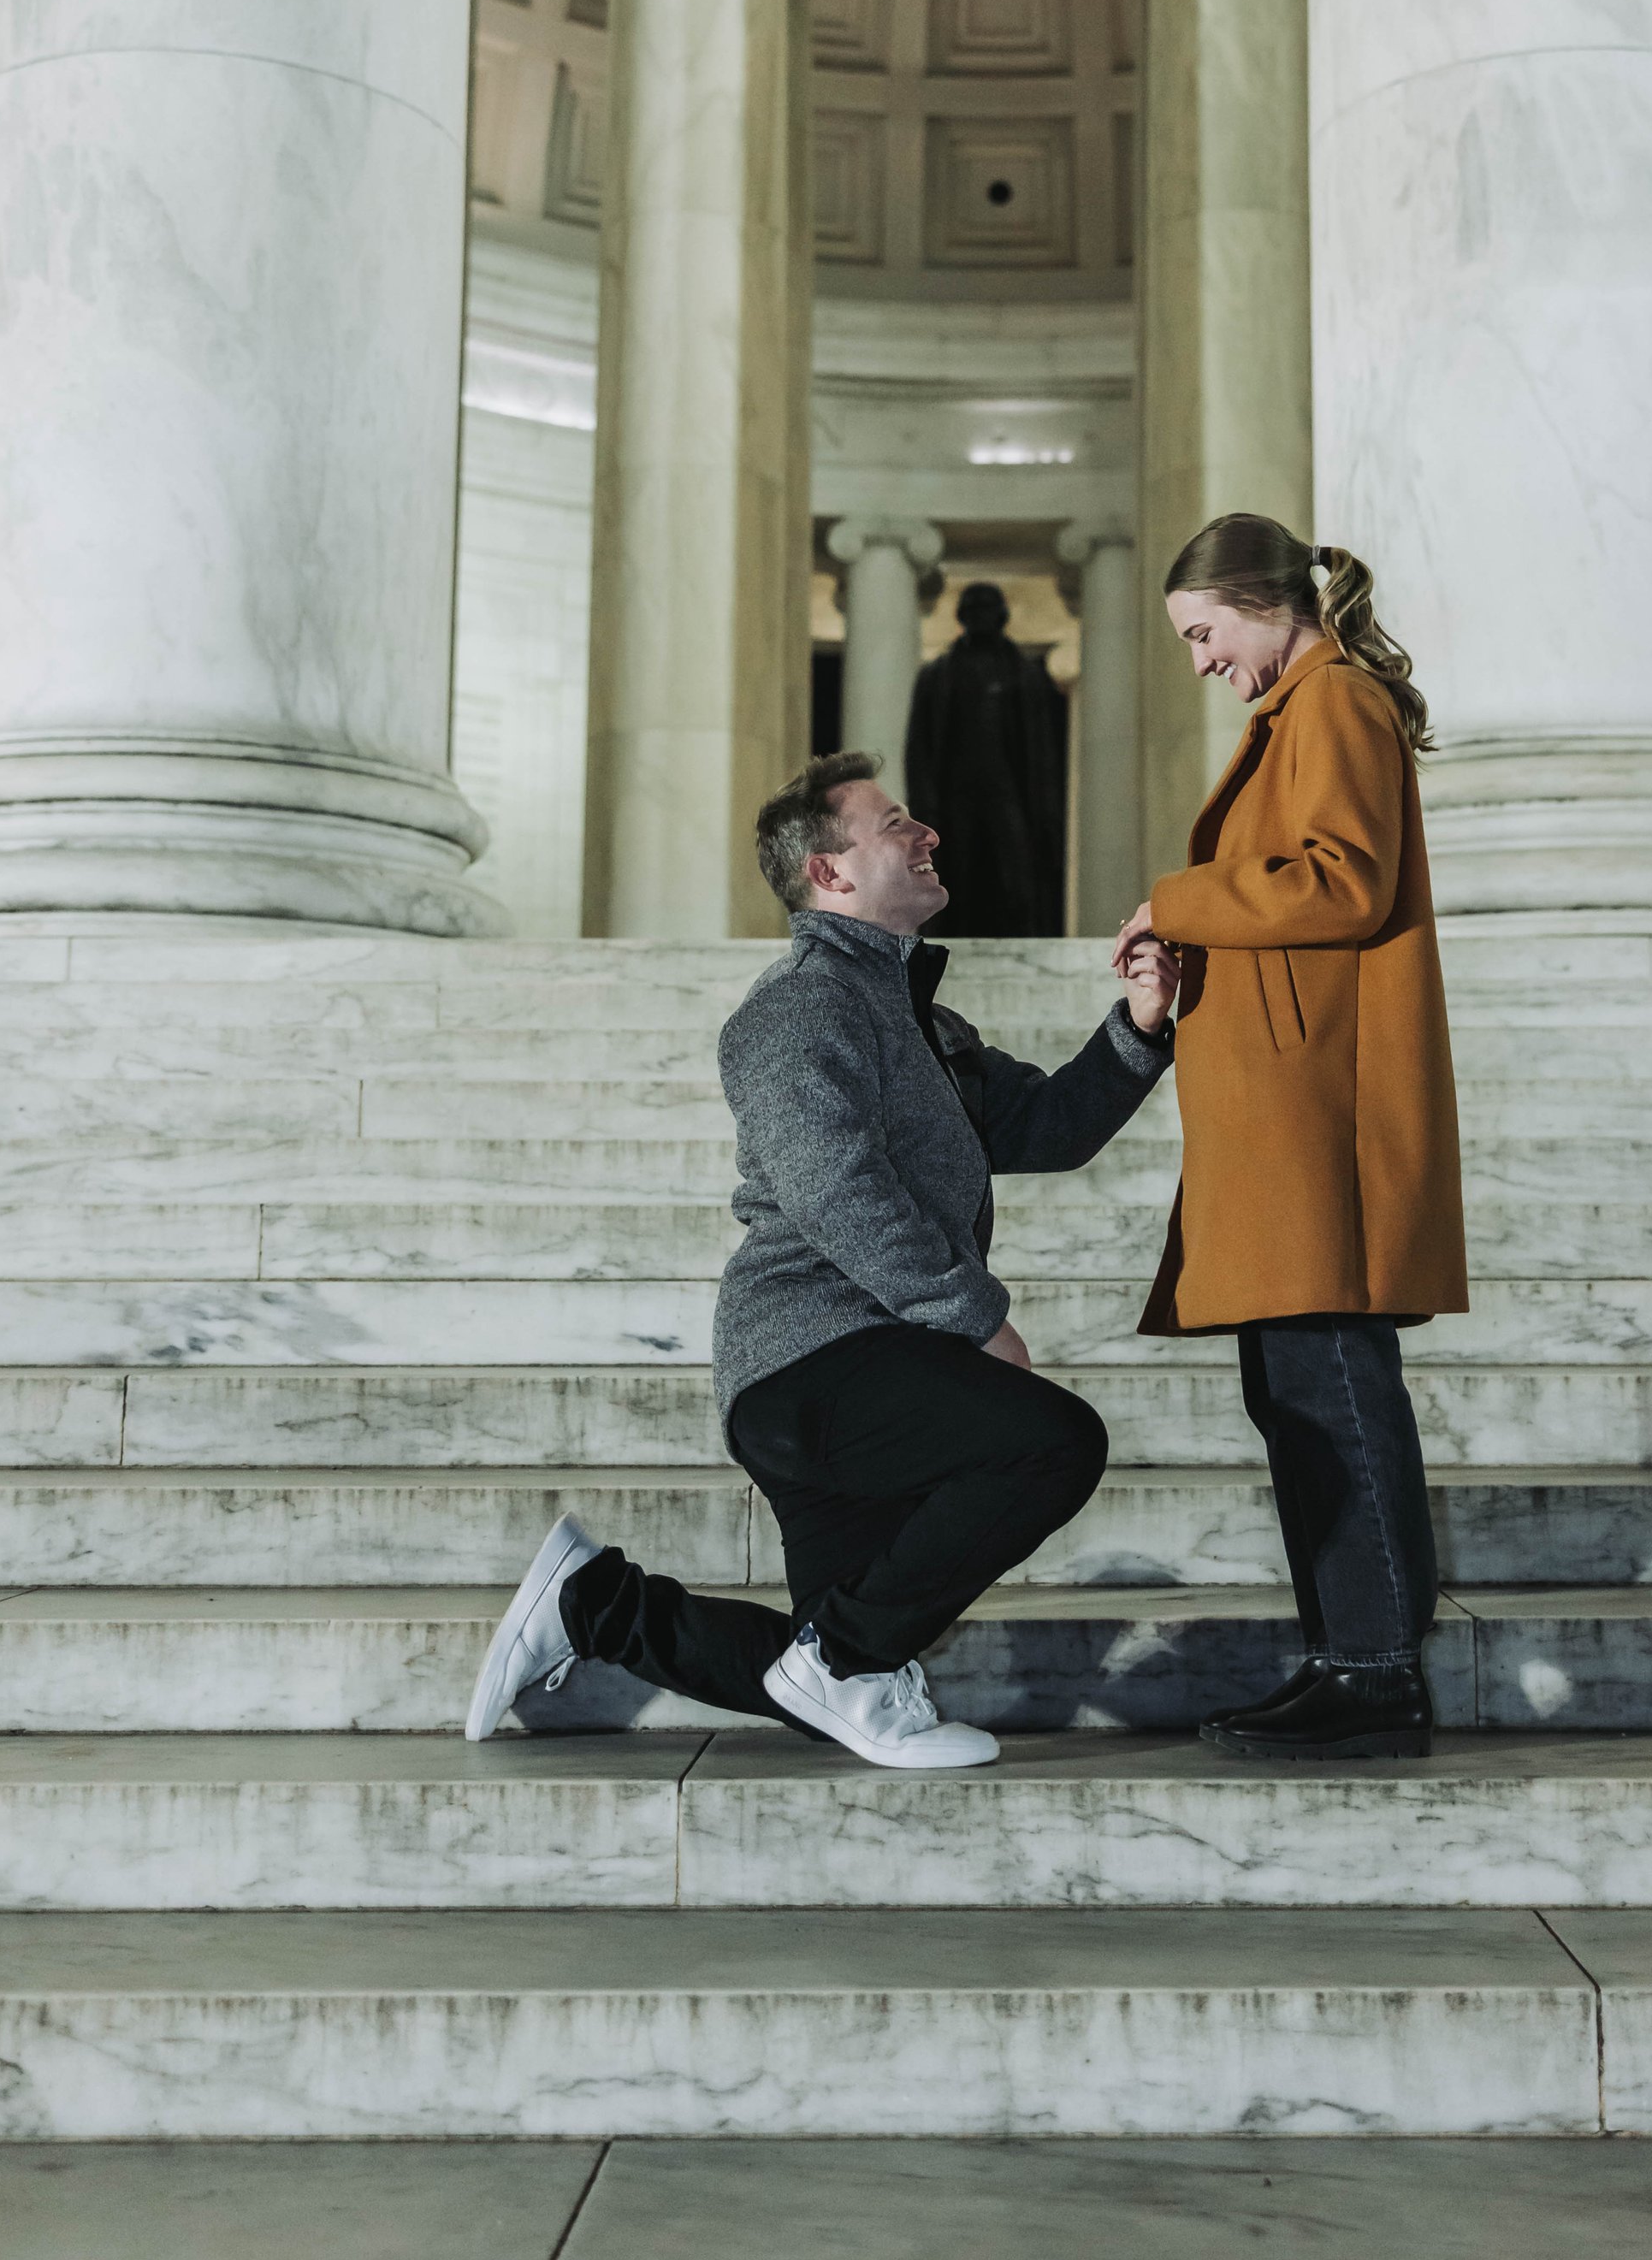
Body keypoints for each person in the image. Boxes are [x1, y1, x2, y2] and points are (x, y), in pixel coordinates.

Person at [468, 751, 1181, 1771]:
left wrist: (1140, 1027)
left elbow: (1046, 1126)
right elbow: (834, 1185)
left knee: (830, 1676)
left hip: (862, 1363)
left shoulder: (921, 1021)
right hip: (810, 1357)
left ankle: (594, 1606)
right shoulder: (797, 1006)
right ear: (830, 872)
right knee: (1050, 1444)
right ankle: (843, 1658)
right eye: (895, 823)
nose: (926, 832)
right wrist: (971, 1315)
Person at [1111, 512, 1467, 1762]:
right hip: (1288, 1119)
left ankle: (1375, 1669)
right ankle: (1346, 1656)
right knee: (1298, 1392)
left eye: (1203, 633)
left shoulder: (1335, 705)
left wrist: (1179, 895)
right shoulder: (1300, 711)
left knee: (1330, 1386)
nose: (1202, 661)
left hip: (1325, 1121)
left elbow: (1346, 878)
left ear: (1258, 604)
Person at [904, 580, 1068, 935]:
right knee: (955, 870)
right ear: (962, 617)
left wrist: (1047, 812)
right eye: (973, 610)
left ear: (1001, 617)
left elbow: (1042, 751)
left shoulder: (1025, 675)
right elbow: (918, 748)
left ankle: (1021, 937)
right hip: (954, 794)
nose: (980, 618)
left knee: (1015, 872)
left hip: (1008, 789)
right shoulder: (936, 676)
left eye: (987, 610)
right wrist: (924, 805)